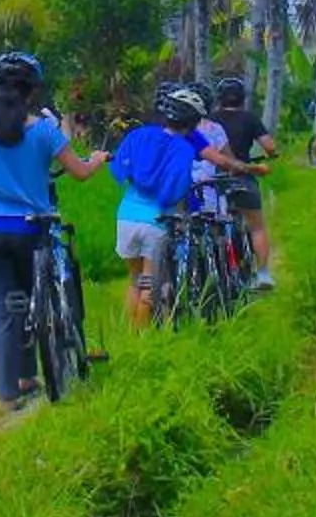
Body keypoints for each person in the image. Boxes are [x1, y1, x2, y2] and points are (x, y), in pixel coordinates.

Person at [0, 50, 109, 408]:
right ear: (32, 91)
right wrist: (94, 160)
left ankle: (10, 391)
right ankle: (34, 370)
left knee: (4, 308)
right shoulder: (45, 131)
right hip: (30, 229)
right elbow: (79, 172)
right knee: (33, 297)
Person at [107, 83, 205, 329]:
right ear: (192, 122)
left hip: (127, 215)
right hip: (156, 220)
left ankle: (130, 335)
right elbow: (175, 189)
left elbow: (119, 169)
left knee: (135, 281)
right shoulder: (184, 149)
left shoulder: (139, 135)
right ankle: (142, 339)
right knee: (150, 284)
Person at [206, 74, 280, 291]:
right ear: (242, 98)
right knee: (256, 226)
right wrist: (272, 155)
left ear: (219, 98)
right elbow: (269, 146)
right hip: (243, 176)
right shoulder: (250, 118)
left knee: (215, 225)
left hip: (215, 179)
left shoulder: (210, 121)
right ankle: (263, 274)